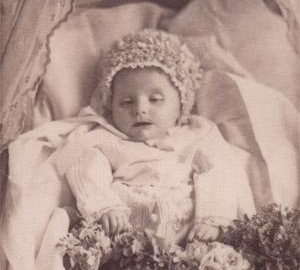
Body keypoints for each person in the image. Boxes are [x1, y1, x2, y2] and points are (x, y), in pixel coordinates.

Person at [64, 29, 255, 247]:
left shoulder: (195, 135)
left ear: (181, 104)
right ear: (110, 105)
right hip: (126, 230)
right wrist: (106, 207)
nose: (140, 109)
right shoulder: (104, 140)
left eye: (155, 99)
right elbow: (86, 170)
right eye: (126, 102)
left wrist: (211, 219)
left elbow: (218, 172)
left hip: (187, 233)